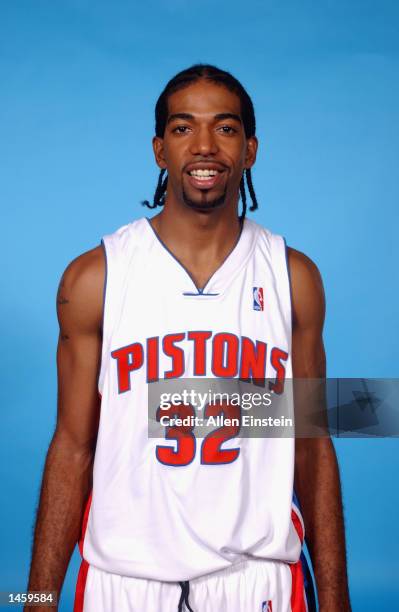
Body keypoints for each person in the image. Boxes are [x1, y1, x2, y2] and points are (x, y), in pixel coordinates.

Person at [26, 64, 351, 612]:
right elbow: (73, 446)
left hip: (256, 579)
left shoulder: (292, 278)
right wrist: (36, 600)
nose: (205, 146)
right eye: (183, 128)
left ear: (250, 149)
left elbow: (313, 445)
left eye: (224, 129)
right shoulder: (94, 278)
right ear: (159, 150)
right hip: (123, 583)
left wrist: (338, 603)